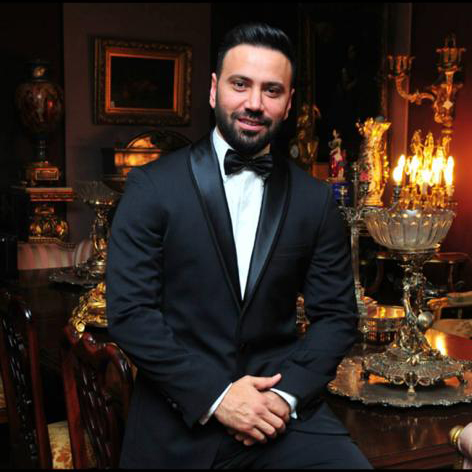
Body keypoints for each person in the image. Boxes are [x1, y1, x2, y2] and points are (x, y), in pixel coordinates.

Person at [106, 22, 372, 469]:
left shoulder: (314, 200)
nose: (254, 103)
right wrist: (219, 396)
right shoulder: (151, 187)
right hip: (180, 418)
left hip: (280, 418)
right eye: (240, 84)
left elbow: (337, 317)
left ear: (289, 103)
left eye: (272, 90)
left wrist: (284, 398)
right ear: (214, 90)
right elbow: (131, 313)